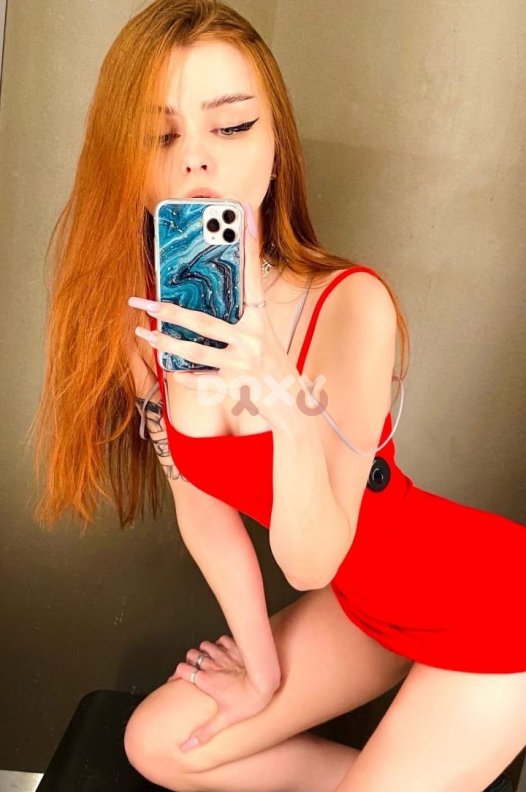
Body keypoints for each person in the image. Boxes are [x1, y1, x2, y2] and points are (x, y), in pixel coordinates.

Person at [32, 1, 526, 790]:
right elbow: (203, 513)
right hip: (362, 610)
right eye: (161, 136)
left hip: (492, 608)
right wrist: (259, 672)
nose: (197, 162)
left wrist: (289, 415)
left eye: (231, 126)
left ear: (274, 147)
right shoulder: (147, 329)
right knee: (157, 744)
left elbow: (310, 560)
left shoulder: (351, 305)